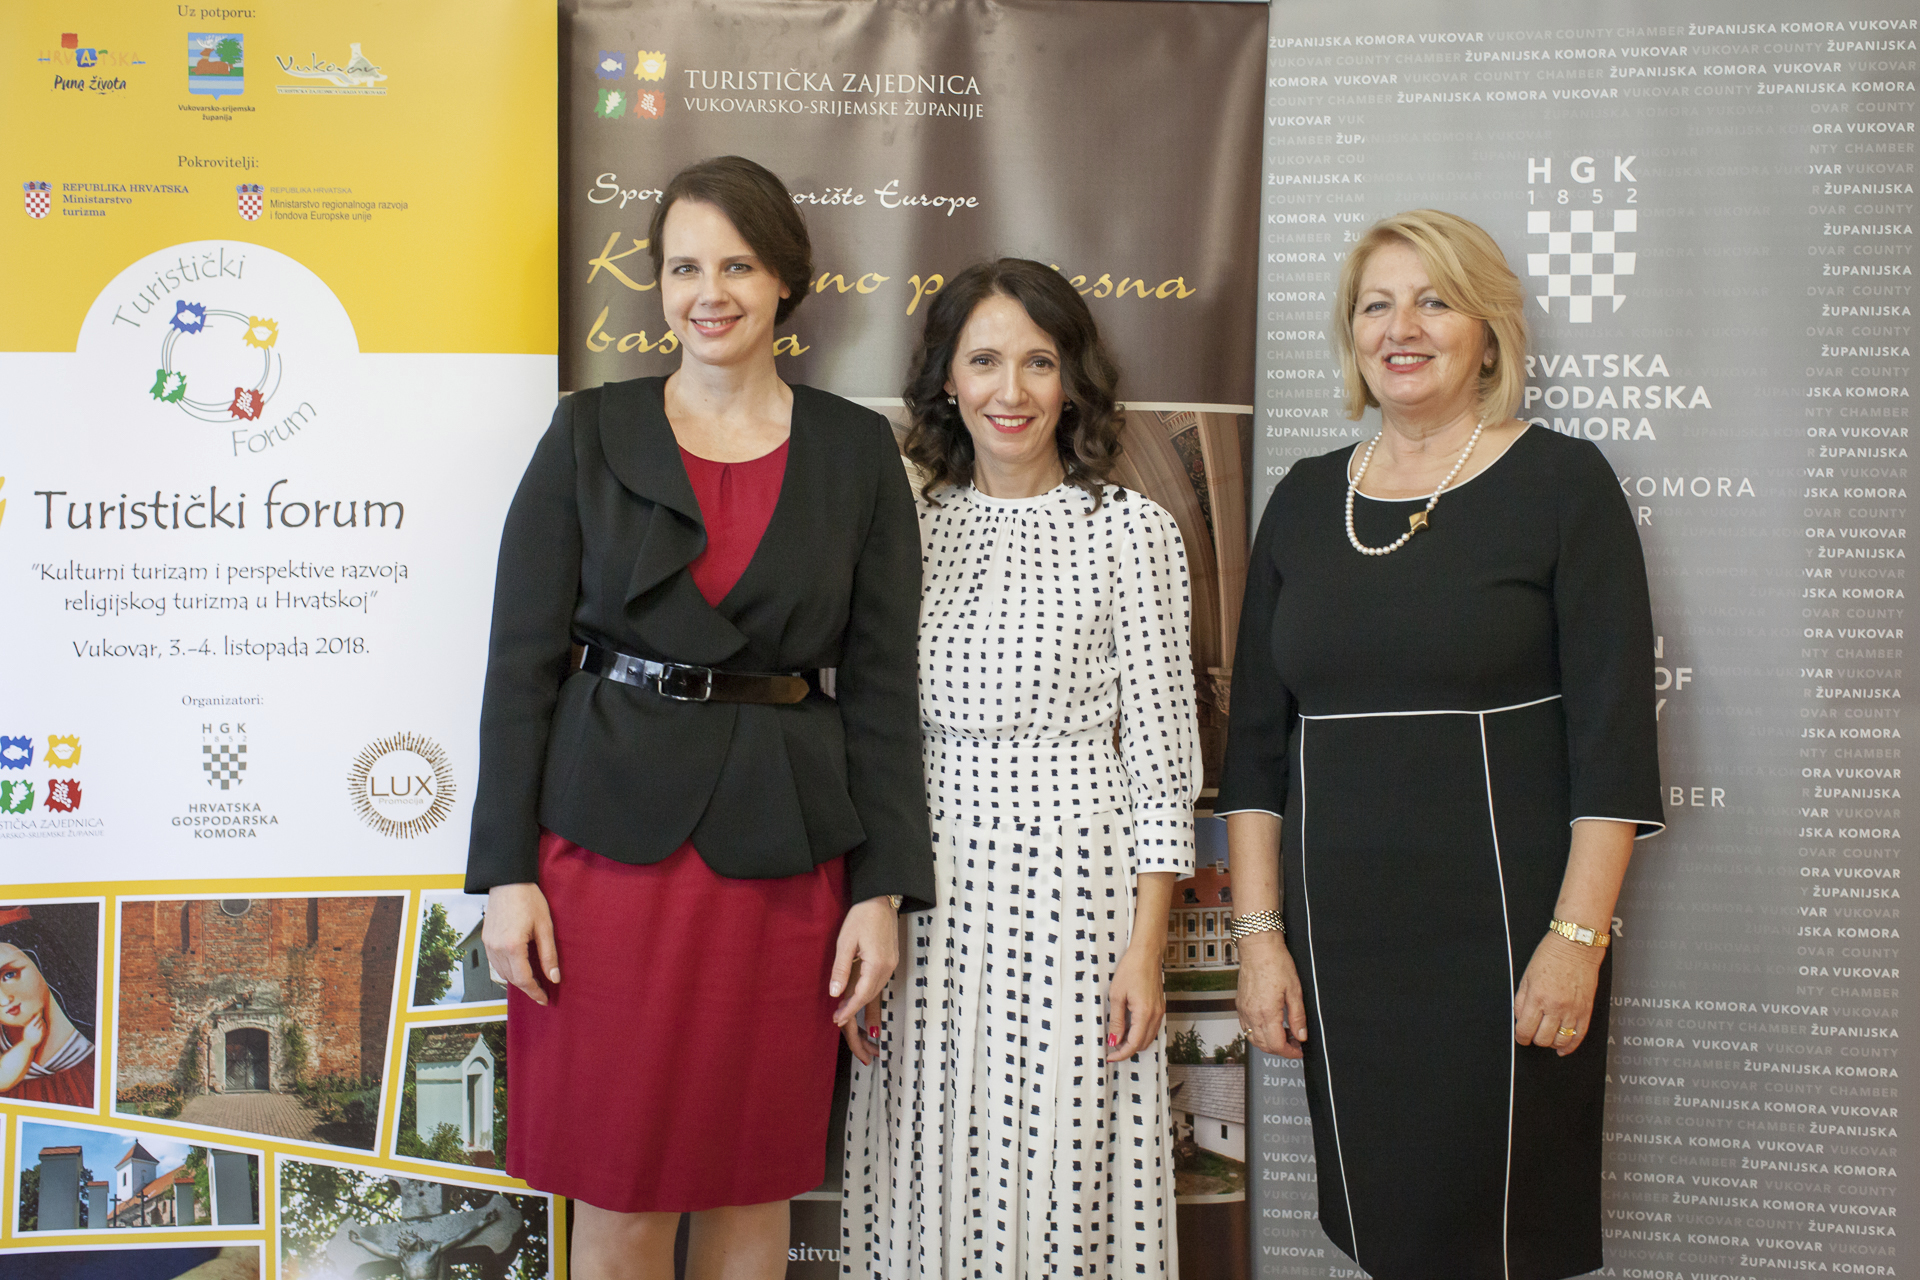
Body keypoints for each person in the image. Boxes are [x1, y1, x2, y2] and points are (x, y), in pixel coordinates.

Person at [465, 155, 933, 1280]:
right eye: (683, 268)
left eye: (737, 265)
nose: (708, 293)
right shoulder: (589, 430)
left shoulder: (856, 449)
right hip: (603, 857)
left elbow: (880, 690)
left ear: (785, 282)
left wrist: (882, 888)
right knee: (619, 1192)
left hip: (780, 859)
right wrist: (506, 874)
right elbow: (520, 665)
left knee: (751, 1186)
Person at [1219, 210, 1664, 1280]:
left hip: (1508, 933)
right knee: (1387, 1230)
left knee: (1500, 1234)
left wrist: (1576, 939)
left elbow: (1613, 742)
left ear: (1488, 331)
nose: (1401, 328)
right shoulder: (1304, 498)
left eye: (1433, 301)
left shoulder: (1564, 483)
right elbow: (1256, 749)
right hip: (1340, 942)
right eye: (1376, 305)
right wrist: (1259, 936)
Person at [841, 259, 1203, 1279]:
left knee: (1063, 1168)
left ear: (1073, 380)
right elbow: (872, 734)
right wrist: (868, 906)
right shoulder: (903, 526)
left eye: (1039, 362)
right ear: (947, 380)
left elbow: (1163, 762)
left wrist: (1145, 951)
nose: (1012, 390)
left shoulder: (1130, 531)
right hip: (926, 889)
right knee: (926, 1158)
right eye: (985, 361)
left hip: (1078, 894)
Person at [0, 903, 97, 1108]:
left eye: (9, 975)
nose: (3, 1000)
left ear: (42, 963)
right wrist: (27, 1045)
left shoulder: (94, 1050)